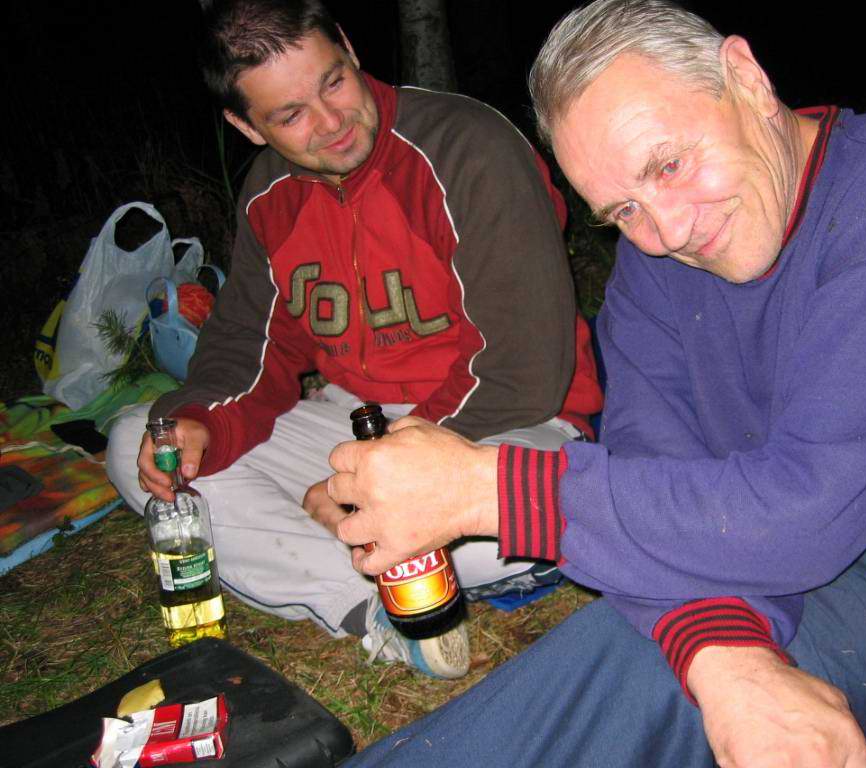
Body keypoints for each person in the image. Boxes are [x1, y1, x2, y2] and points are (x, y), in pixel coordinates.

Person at [323, 0, 866, 765]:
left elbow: (803, 514)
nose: (669, 231)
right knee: (685, 680)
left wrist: (483, 491)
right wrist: (719, 654)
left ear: (746, 79)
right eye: (623, 209)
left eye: (669, 165)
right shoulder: (656, 266)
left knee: (644, 680)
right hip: (778, 557)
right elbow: (654, 470)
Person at [105, 0, 602, 680]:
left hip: (508, 422)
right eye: (291, 115)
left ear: (347, 45)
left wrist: (377, 475)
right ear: (246, 126)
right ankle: (375, 610)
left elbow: (523, 369)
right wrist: (200, 421)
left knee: (537, 513)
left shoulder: (466, 147)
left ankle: (392, 546)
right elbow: (248, 345)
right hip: (357, 417)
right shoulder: (268, 196)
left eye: (333, 82)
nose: (332, 121)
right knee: (145, 444)